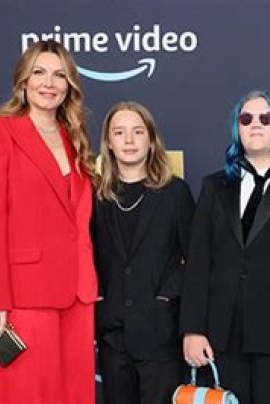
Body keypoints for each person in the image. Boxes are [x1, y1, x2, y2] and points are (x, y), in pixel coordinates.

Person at [0, 39, 98, 403]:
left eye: (59, 75)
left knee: (72, 395)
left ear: (69, 85)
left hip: (77, 295)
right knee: (24, 393)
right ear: (23, 81)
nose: (49, 83)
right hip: (22, 296)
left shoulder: (75, 139)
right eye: (39, 72)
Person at [180, 90, 270, 404]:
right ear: (237, 128)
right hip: (221, 338)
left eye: (265, 118)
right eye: (246, 118)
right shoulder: (214, 187)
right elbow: (198, 263)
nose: (255, 124)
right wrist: (193, 329)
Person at [91, 101, 195, 403]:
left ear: (151, 140)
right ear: (109, 144)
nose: (129, 140)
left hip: (160, 334)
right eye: (119, 132)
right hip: (112, 336)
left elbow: (196, 259)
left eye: (138, 131)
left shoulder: (175, 193)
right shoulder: (96, 196)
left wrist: (166, 295)